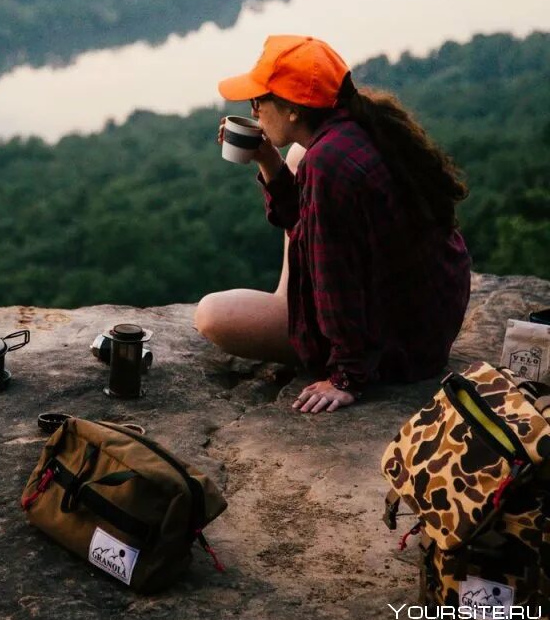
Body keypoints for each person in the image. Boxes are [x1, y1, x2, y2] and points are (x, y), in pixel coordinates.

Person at [194, 35, 471, 414]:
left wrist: (346, 376)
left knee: (211, 316)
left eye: (259, 100)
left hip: (398, 343)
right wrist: (266, 160)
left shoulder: (328, 166)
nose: (253, 110)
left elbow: (334, 278)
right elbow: (306, 223)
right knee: (294, 156)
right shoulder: (354, 125)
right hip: (423, 316)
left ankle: (305, 325)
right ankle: (290, 308)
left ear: (293, 109)